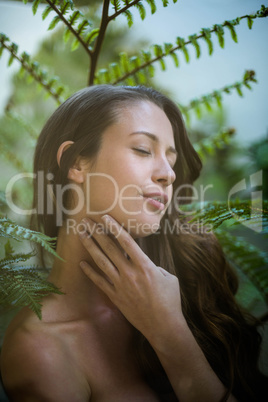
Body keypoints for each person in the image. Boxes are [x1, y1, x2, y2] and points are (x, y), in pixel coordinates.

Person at [0, 85, 267, 401]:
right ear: (76, 163)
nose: (168, 174)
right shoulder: (40, 352)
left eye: (171, 159)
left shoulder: (191, 277)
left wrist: (170, 330)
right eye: (143, 149)